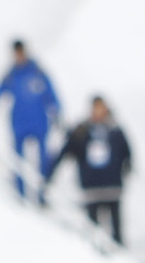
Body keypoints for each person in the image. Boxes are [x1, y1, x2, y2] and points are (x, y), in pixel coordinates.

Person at [0, 40, 61, 203]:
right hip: (19, 122)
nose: (19, 56)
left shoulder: (38, 73)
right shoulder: (11, 75)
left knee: (43, 160)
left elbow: (51, 95)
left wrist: (57, 114)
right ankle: (20, 194)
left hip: (39, 122)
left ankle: (43, 194)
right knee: (18, 159)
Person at [54, 95, 135, 243]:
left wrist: (126, 170)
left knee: (116, 229)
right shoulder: (82, 131)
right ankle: (95, 258)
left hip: (112, 188)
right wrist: (50, 174)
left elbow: (127, 154)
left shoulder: (115, 130)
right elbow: (66, 152)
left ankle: (119, 255)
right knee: (93, 230)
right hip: (92, 189)